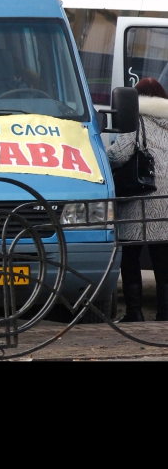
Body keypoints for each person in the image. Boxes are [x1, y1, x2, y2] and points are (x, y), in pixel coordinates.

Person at [108, 77, 168, 322]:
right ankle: (165, 312)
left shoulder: (134, 120)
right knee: (163, 259)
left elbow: (120, 154)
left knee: (130, 255)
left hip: (140, 195)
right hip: (166, 198)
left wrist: (101, 157)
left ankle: (134, 312)